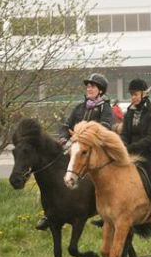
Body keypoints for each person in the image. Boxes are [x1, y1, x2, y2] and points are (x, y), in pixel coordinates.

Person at [35, 73, 113, 231]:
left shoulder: (105, 108)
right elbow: (66, 125)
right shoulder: (79, 107)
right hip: (76, 148)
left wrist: (84, 136)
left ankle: (104, 212)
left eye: (93, 86)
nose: (89, 88)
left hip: (95, 150)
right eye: (88, 86)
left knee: (103, 177)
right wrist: (64, 138)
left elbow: (105, 127)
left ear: (100, 91)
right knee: (54, 171)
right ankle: (49, 211)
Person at [120, 78, 151, 232]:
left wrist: (130, 148)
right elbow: (124, 133)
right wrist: (122, 146)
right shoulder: (129, 111)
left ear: (144, 94)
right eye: (131, 95)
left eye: (135, 94)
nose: (133, 97)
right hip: (131, 153)